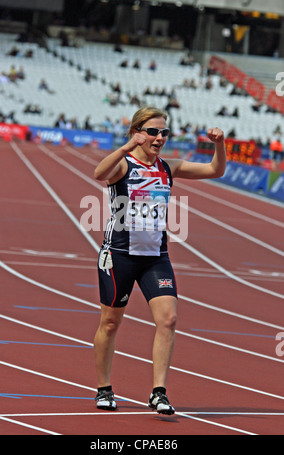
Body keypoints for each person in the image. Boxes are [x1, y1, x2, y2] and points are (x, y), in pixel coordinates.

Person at [93, 106, 226, 415]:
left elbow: (215, 171)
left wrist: (219, 144)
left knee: (168, 319)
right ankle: (104, 388)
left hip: (155, 257)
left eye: (164, 132)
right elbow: (99, 174)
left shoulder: (168, 166)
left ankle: (158, 392)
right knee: (110, 323)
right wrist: (126, 147)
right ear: (138, 132)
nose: (159, 138)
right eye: (152, 132)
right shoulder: (123, 165)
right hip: (120, 255)